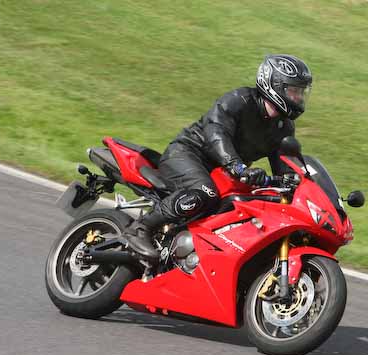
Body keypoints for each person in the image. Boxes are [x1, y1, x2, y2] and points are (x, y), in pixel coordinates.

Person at [123, 54, 313, 259]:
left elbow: (285, 163)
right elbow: (216, 132)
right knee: (205, 192)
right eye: (294, 91)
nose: (298, 98)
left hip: (224, 171)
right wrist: (238, 167)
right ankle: (140, 228)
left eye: (301, 92)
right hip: (188, 154)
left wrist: (299, 184)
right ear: (274, 85)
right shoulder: (239, 100)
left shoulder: (283, 127)